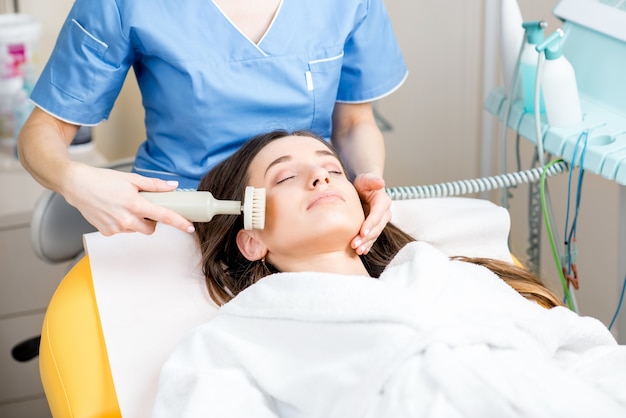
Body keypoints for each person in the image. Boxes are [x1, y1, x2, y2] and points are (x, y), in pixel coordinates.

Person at [152, 130, 626, 417]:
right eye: (284, 177)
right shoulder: (234, 339)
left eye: (332, 170)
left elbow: (581, 355)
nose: (320, 178)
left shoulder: (444, 277)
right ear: (252, 238)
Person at [17, 0, 407, 253]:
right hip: (177, 221)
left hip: (304, 217)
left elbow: (355, 122)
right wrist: (73, 180)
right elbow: (42, 131)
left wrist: (367, 179)